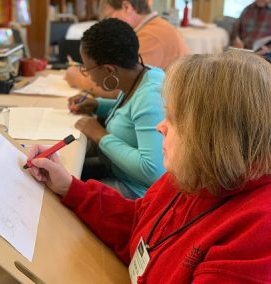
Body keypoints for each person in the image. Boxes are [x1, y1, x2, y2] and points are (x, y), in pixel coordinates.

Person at [27, 50, 271, 282]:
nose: (160, 127)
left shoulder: (256, 236)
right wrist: (70, 187)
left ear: (213, 137)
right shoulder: (194, 174)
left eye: (173, 120)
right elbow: (138, 222)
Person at [69, 18, 165, 199]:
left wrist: (100, 136)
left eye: (87, 69)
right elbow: (131, 115)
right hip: (120, 172)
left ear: (109, 70)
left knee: (65, 194)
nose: (88, 75)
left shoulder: (151, 96)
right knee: (64, 172)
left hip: (139, 193)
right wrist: (98, 105)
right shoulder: (143, 75)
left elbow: (153, 171)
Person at [64, 0, 189, 99]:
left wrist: (78, 78)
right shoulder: (154, 27)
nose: (106, 23)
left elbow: (120, 88)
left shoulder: (152, 36)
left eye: (108, 16)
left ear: (126, 7)